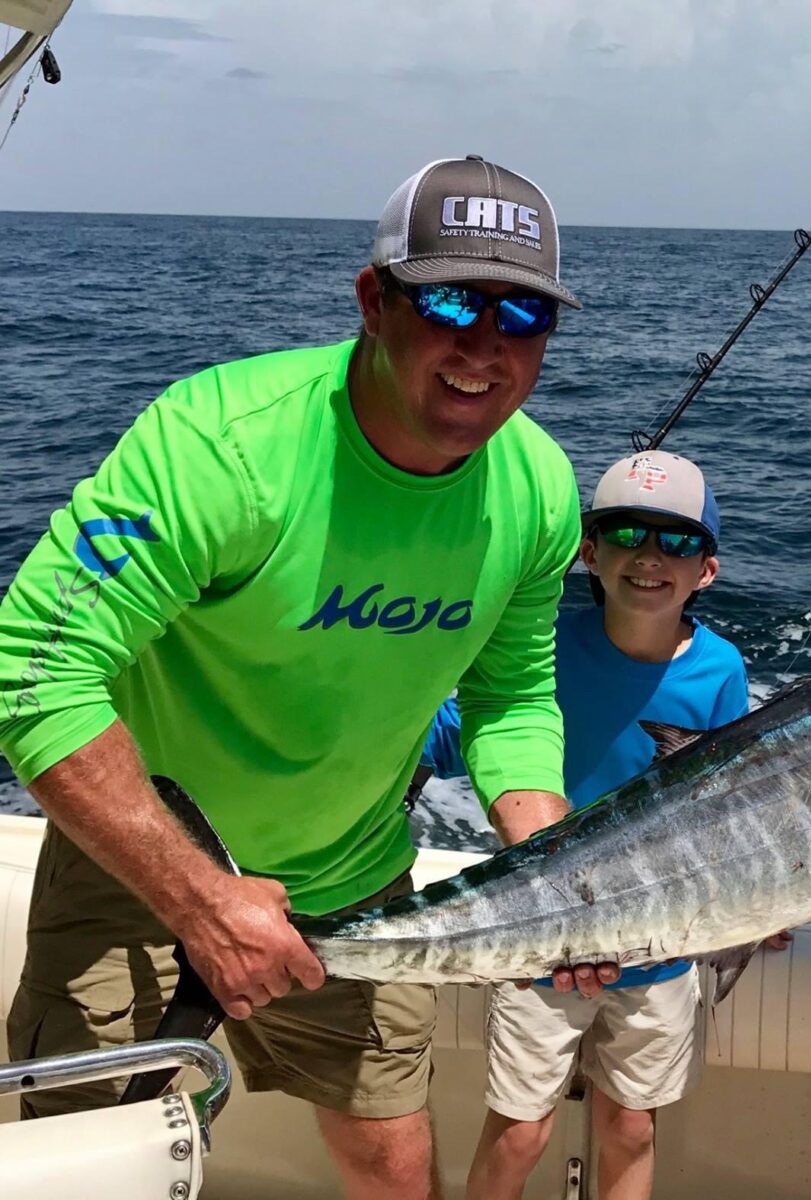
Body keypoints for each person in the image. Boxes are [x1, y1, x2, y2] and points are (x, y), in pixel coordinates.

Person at [0, 154, 614, 1200]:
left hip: (357, 887)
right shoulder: (222, 444)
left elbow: (511, 699)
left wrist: (554, 865)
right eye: (451, 301)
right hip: (133, 873)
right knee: (89, 1173)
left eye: (524, 314)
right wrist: (200, 899)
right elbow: (34, 668)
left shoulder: (541, 489)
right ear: (374, 300)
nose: (484, 345)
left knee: (394, 1168)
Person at [418, 449, 771, 1200]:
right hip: (540, 930)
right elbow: (450, 732)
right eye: (627, 533)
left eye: (677, 541)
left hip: (662, 943)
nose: (650, 557)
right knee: (519, 1131)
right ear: (589, 551)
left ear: (707, 570)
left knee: (632, 1127)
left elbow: (733, 809)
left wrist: (760, 903)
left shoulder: (722, 670)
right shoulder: (538, 645)